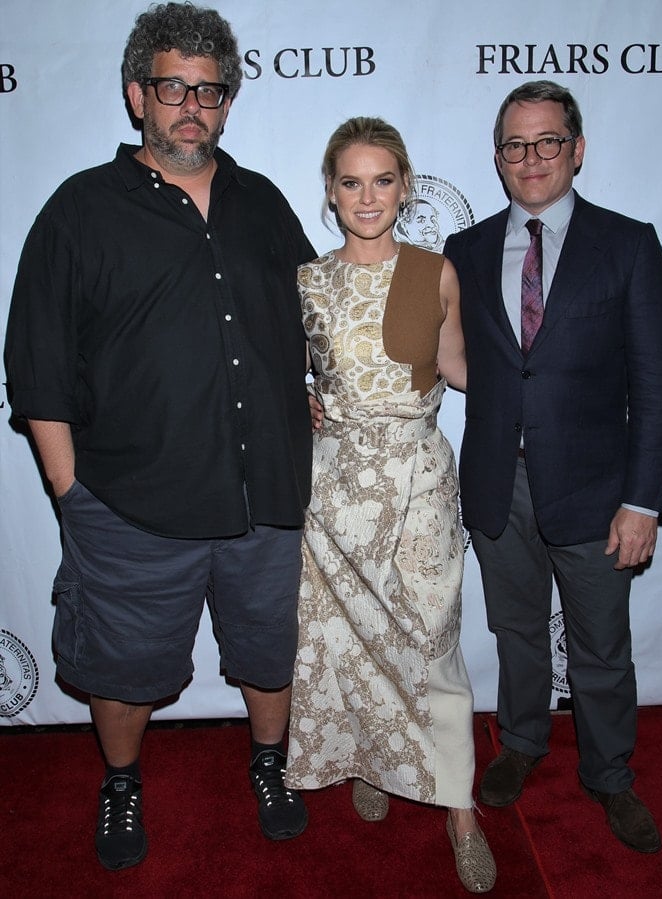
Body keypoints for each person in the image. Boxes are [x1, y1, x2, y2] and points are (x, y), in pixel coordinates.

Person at [4, 2, 315, 871]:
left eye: (209, 90)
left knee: (267, 645)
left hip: (266, 500)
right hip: (131, 504)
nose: (191, 105)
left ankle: (269, 763)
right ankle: (122, 778)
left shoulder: (262, 202)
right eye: (173, 86)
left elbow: (310, 325)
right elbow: (37, 365)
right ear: (138, 92)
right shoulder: (79, 211)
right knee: (124, 665)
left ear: (227, 101)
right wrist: (74, 495)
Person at [443, 81, 662, 854]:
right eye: (515, 144)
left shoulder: (630, 243)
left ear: (577, 149)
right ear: (499, 158)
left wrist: (644, 500)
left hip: (596, 488)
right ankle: (521, 742)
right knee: (515, 630)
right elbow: (437, 357)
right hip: (495, 483)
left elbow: (653, 385)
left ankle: (610, 774)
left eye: (548, 141)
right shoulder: (466, 251)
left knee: (600, 646)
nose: (531, 158)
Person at [284, 116, 497, 894]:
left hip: (417, 488)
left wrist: (545, 373)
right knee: (345, 641)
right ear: (332, 193)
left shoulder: (436, 270)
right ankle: (370, 757)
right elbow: (288, 374)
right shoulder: (307, 280)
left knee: (432, 641)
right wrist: (302, 399)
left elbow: (461, 367)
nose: (366, 196)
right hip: (334, 493)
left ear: (405, 187)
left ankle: (460, 808)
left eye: (382, 180)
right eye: (350, 182)